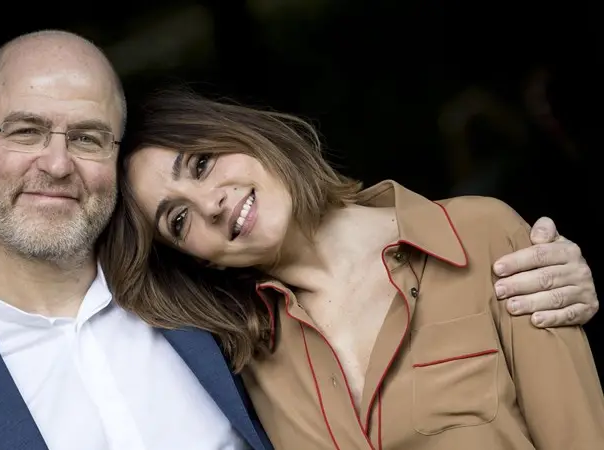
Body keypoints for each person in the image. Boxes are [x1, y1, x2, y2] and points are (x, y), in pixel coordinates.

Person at [0, 29, 598, 450]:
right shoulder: (237, 332)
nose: (56, 162)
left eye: (88, 138)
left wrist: (567, 277)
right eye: (25, 131)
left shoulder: (217, 326)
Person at [101, 88, 604, 449]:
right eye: (179, 219)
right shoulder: (238, 356)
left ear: (247, 137)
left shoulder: (480, 235)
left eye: (203, 163)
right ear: (194, 258)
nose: (210, 204)